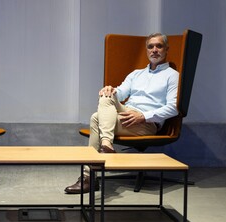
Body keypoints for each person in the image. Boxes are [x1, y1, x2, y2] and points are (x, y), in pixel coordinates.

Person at [65, 33, 179, 194]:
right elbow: (121, 92)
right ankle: (106, 145)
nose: (154, 50)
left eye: (159, 46)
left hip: (146, 122)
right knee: (107, 94)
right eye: (150, 46)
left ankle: (88, 177)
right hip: (126, 114)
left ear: (166, 49)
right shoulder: (136, 74)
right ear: (146, 50)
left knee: (95, 118)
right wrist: (111, 90)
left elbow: (174, 107)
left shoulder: (172, 76)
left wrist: (143, 116)